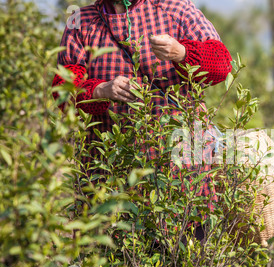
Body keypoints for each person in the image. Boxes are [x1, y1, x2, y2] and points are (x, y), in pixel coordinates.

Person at [52, 0, 232, 236]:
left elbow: (221, 64)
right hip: (109, 174)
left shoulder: (176, 9)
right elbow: (61, 89)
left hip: (183, 174)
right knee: (115, 260)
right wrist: (101, 90)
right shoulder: (81, 22)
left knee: (185, 258)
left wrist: (182, 53)